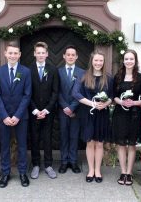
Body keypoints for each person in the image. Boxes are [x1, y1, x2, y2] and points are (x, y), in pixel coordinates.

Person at [0, 41, 32, 188]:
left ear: (20, 55)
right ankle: (5, 173)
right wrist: (4, 116)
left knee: (22, 146)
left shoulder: (25, 72)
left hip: (21, 116)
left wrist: (17, 116)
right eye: (10, 53)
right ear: (5, 54)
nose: (13, 55)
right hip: (3, 117)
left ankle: (22, 173)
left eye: (15, 53)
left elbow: (27, 95)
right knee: (4, 146)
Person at [73, 50, 113, 183]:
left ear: (103, 62)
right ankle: (91, 170)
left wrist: (105, 104)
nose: (98, 63)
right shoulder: (84, 76)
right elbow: (76, 94)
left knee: (100, 143)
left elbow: (112, 96)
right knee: (90, 143)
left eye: (101, 60)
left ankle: (98, 170)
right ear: (92, 61)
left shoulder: (108, 77)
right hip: (88, 114)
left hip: (102, 114)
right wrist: (92, 104)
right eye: (96, 60)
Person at [112, 50, 141, 186]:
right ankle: (123, 171)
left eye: (131, 59)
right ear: (123, 61)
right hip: (120, 114)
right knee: (121, 144)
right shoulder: (118, 77)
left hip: (134, 115)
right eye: (126, 59)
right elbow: (113, 96)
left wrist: (134, 102)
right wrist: (121, 102)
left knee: (131, 144)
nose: (129, 61)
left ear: (135, 61)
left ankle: (129, 173)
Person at [29, 42, 59, 179]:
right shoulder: (28, 70)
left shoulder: (53, 70)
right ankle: (35, 164)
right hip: (33, 111)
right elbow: (26, 93)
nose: (41, 55)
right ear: (34, 53)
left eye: (43, 52)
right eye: (38, 52)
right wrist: (35, 110)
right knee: (34, 138)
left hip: (48, 112)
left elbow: (55, 92)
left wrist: (46, 110)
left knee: (47, 139)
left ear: (47, 54)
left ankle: (48, 165)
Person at [58, 45, 85, 174]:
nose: (70, 57)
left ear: (76, 57)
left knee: (74, 136)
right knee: (63, 136)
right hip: (62, 110)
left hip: (76, 110)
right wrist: (65, 107)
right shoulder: (58, 72)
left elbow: (81, 92)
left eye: (73, 55)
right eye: (68, 54)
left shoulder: (82, 72)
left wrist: (73, 107)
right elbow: (56, 91)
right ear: (64, 56)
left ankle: (73, 161)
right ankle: (64, 162)